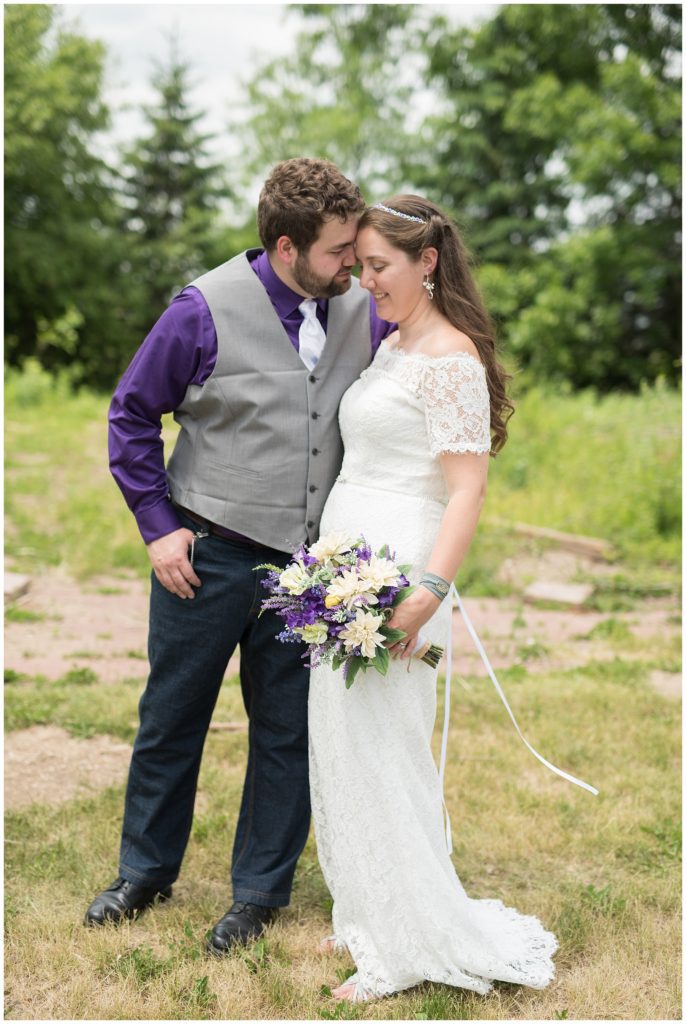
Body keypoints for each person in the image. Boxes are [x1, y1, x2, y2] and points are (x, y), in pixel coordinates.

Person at [84, 157, 394, 950]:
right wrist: (158, 527)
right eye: (336, 252)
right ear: (287, 247)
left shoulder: (364, 307)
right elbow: (131, 414)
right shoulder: (201, 309)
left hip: (309, 572)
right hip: (208, 554)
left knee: (287, 731)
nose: (351, 264)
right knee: (172, 719)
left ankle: (259, 892)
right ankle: (144, 874)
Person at [308, 196, 559, 1001]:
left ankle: (411, 939)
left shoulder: (450, 358)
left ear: (428, 262)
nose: (364, 279)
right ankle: (370, 912)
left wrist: (427, 591)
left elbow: (466, 492)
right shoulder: (394, 342)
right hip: (346, 567)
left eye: (379, 265)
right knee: (347, 742)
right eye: (362, 264)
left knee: (386, 746)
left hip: (401, 571)